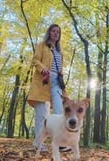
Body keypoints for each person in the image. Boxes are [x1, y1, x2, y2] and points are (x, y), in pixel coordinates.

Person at [27, 24, 70, 152]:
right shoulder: (42, 45)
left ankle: (61, 143)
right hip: (43, 82)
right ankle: (38, 143)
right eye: (53, 31)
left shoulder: (59, 52)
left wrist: (61, 74)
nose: (56, 33)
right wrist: (43, 68)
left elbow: (59, 68)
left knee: (60, 113)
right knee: (42, 115)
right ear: (49, 33)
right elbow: (35, 60)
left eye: (58, 32)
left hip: (57, 83)